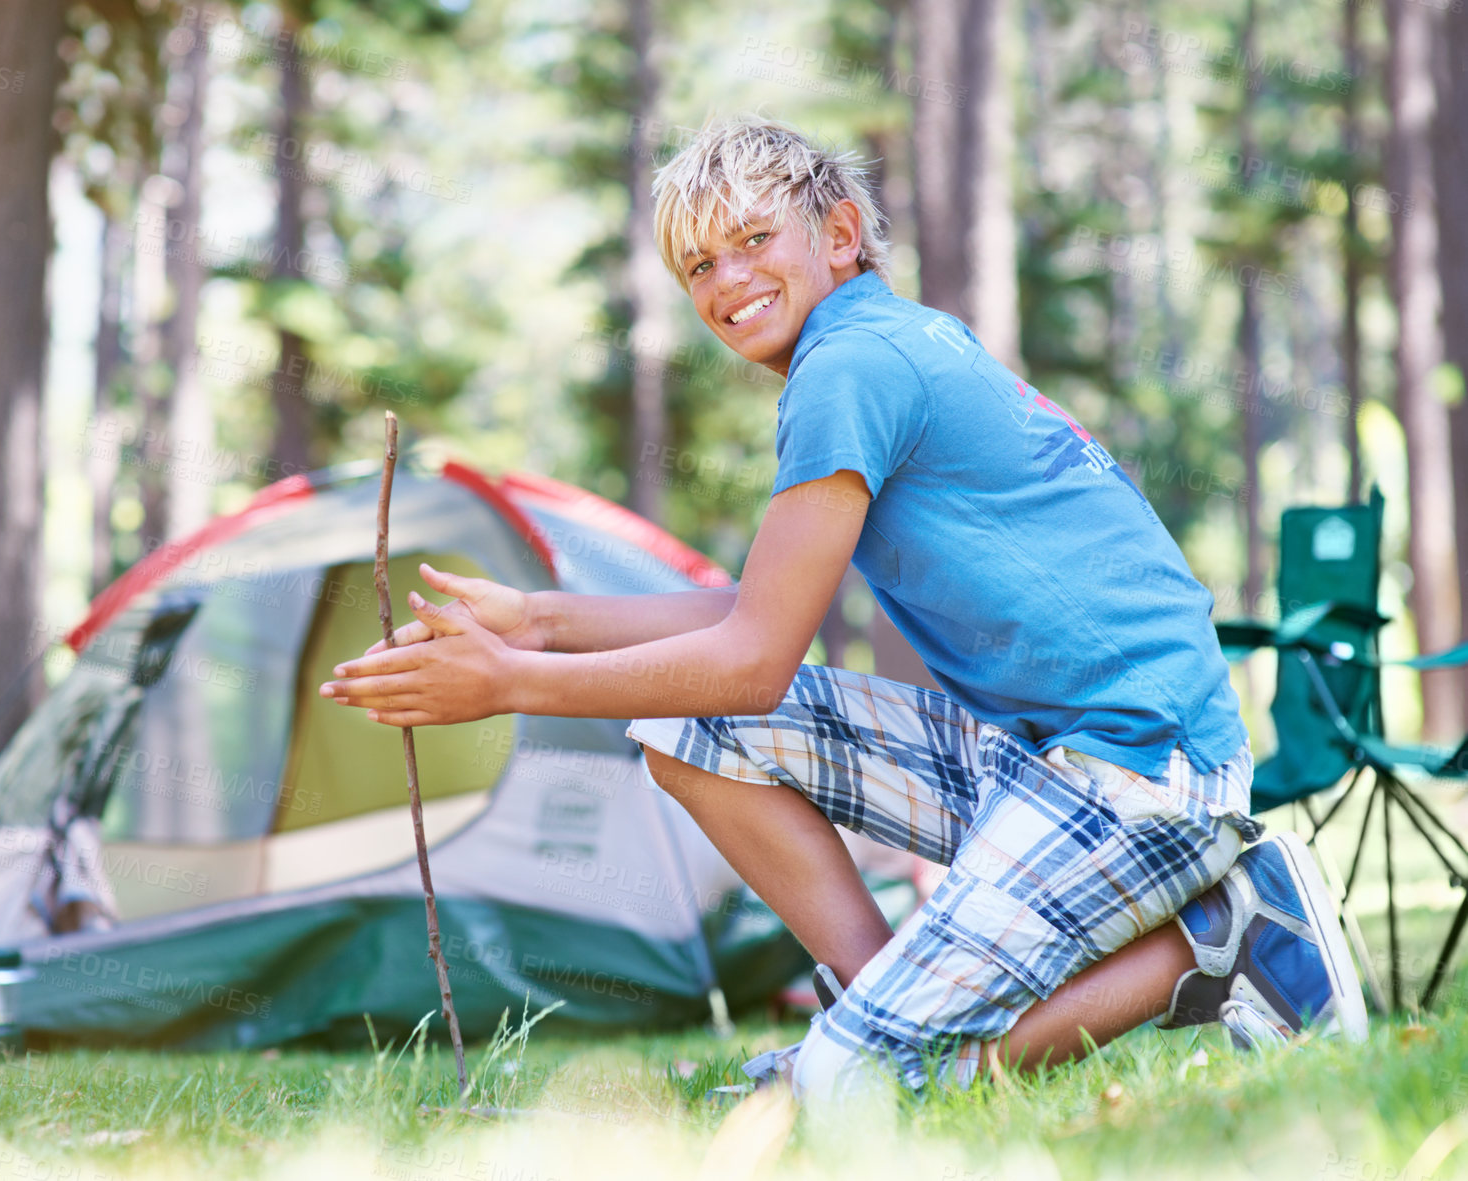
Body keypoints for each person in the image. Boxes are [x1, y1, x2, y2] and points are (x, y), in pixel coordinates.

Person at [319, 116, 1366, 1102]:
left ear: (840, 232)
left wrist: (512, 684)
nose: (726, 281)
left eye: (750, 239)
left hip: (1137, 769)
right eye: (697, 265)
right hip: (1057, 756)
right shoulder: (880, 345)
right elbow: (754, 609)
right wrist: (540, 620)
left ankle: (1222, 935)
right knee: (691, 729)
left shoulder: (849, 365)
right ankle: (880, 1011)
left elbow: (753, 659)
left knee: (852, 1090)